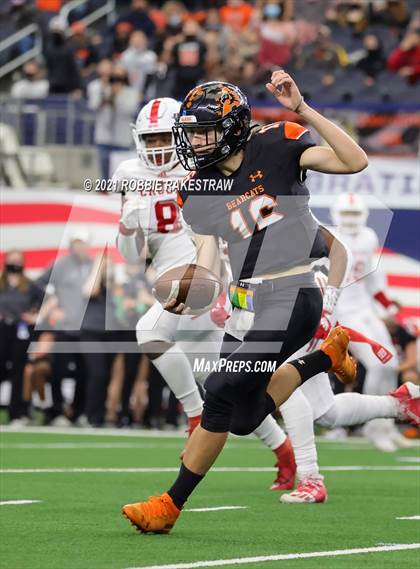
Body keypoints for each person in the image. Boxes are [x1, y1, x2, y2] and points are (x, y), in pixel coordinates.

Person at [121, 71, 367, 533]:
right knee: (239, 416)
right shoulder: (198, 189)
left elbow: (355, 161)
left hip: (294, 295)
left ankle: (169, 506)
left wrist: (303, 108)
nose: (193, 142)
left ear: (232, 126)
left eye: (202, 131)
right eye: (189, 133)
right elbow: (209, 255)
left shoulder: (279, 143)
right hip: (245, 302)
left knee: (217, 387)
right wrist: (192, 287)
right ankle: (325, 357)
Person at [114, 97, 297, 486]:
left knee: (149, 334)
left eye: (165, 136)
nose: (158, 147)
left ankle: (194, 417)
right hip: (173, 283)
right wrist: (128, 226)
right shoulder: (128, 173)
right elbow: (131, 255)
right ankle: (284, 451)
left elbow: (225, 233)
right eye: (150, 139)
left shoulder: (205, 167)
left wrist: (227, 285)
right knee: (223, 389)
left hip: (202, 280)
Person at [331, 193, 407, 451]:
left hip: (364, 307)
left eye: (355, 214)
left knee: (391, 364)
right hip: (344, 310)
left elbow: (372, 278)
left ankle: (387, 425)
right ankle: (371, 425)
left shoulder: (368, 237)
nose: (351, 220)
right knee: (376, 365)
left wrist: (388, 305)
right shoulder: (328, 237)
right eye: (347, 214)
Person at [0, 250, 43, 425]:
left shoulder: (30, 286)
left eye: (18, 261)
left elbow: (46, 301)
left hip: (21, 330)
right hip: (2, 328)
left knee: (18, 371)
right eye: (12, 260)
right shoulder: (1, 284)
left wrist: (34, 317)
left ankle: (15, 413)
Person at [87, 63, 139, 179]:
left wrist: (118, 96)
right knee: (104, 165)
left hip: (122, 136)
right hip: (104, 134)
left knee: (121, 169)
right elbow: (93, 106)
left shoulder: (131, 92)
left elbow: (129, 110)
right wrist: (105, 94)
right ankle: (104, 187)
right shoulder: (101, 88)